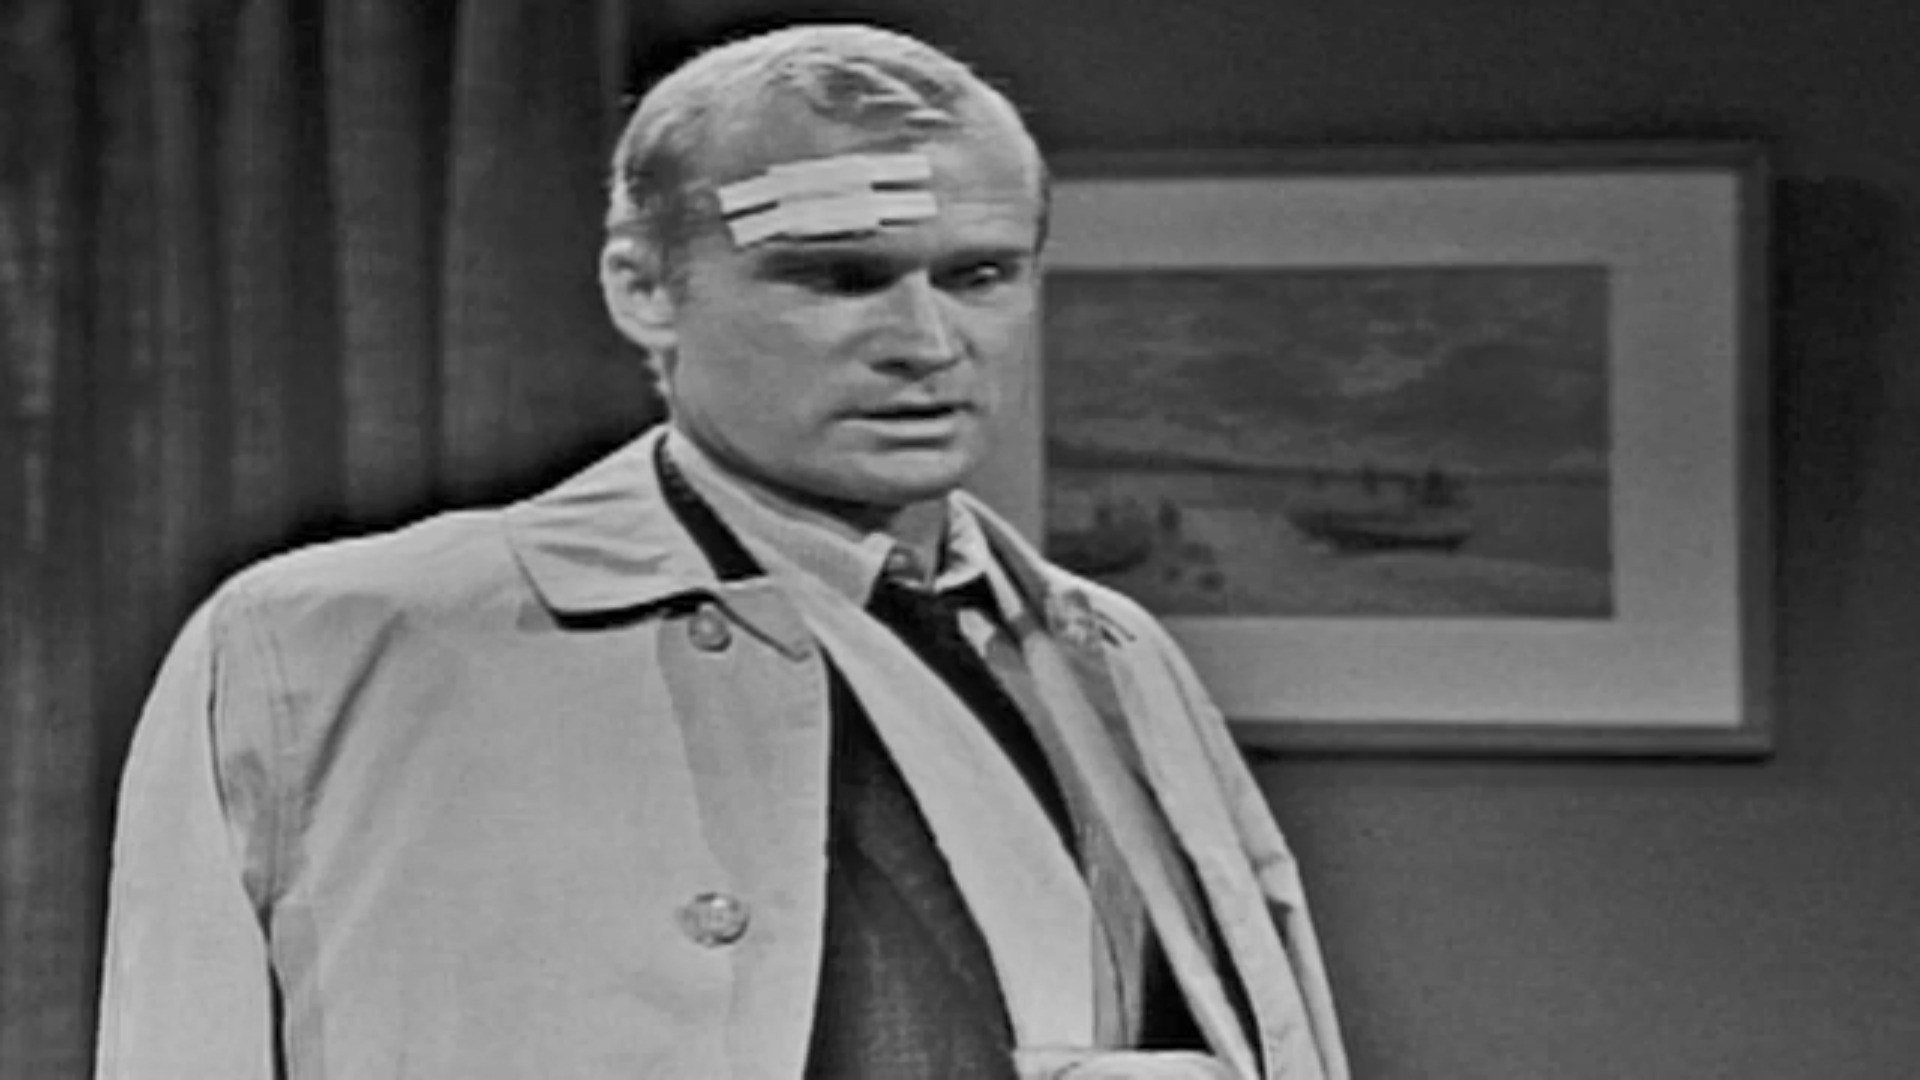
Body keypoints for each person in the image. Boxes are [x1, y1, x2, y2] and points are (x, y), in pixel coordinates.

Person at [94, 23, 1347, 1080]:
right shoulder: (335, 645)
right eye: (840, 278)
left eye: (979, 275)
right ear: (645, 290)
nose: (926, 341)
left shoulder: (1108, 657)